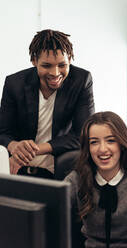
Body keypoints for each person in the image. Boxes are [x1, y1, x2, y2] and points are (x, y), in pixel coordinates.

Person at [0, 29, 95, 179]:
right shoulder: (14, 84)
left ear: (70, 59)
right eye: (46, 65)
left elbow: (83, 133)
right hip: (18, 170)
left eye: (62, 65)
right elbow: (3, 132)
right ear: (34, 61)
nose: (55, 73)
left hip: (60, 171)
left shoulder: (81, 80)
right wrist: (14, 146)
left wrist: (34, 150)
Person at [65, 111, 127, 248]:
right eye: (94, 142)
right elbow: (49, 216)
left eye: (111, 140)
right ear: (87, 148)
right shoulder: (77, 179)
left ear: (122, 143)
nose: (102, 149)